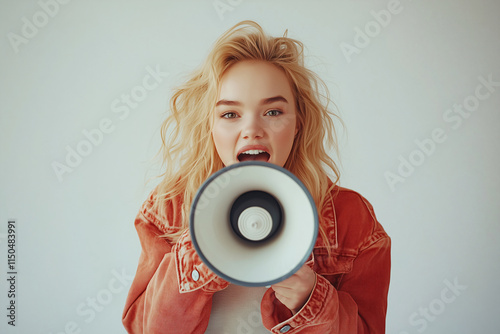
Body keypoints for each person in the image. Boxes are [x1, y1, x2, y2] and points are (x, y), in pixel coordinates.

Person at [122, 20, 391, 333]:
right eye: (230, 114)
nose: (251, 129)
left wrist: (312, 299)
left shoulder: (352, 221)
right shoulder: (167, 209)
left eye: (273, 112)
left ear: (298, 123)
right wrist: (200, 247)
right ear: (210, 126)